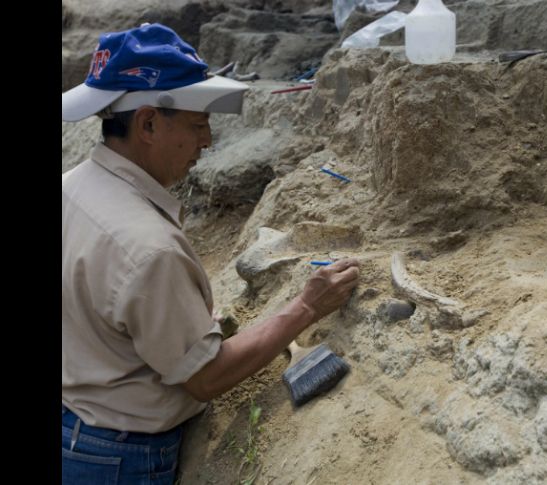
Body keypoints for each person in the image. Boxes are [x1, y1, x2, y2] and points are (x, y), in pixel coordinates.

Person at [61, 23, 360, 484]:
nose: (207, 141)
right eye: (198, 124)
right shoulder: (147, 247)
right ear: (147, 123)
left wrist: (174, 321)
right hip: (120, 459)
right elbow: (205, 379)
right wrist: (306, 306)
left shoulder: (72, 188)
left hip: (76, 430)